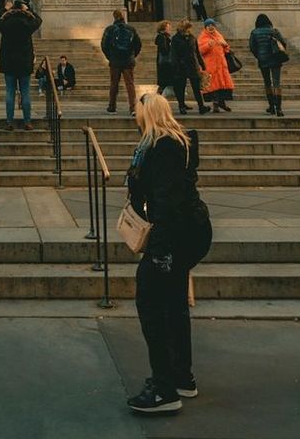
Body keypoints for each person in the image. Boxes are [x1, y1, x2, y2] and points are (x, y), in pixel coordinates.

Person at [125, 93, 211, 416]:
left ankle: (163, 387)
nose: (134, 116)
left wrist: (160, 252)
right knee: (174, 301)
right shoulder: (172, 142)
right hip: (189, 231)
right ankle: (181, 376)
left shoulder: (164, 148)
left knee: (150, 301)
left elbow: (166, 202)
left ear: (147, 114)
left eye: (137, 112)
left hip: (174, 235)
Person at [0, 0, 42, 132]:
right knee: (25, 92)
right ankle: (27, 122)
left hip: (8, 62)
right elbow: (39, 20)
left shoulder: (5, 22)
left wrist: (5, 9)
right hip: (24, 62)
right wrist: (28, 10)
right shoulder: (27, 23)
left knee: (10, 92)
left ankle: (9, 122)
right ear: (22, 9)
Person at [102, 10, 142, 115]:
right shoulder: (131, 29)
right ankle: (133, 107)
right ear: (123, 17)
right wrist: (133, 55)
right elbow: (138, 44)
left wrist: (110, 57)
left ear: (114, 17)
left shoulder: (109, 29)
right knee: (130, 84)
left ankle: (112, 106)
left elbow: (104, 45)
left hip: (115, 61)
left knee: (114, 83)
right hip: (128, 60)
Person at [248, 14, 288, 117]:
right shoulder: (274, 31)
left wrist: (259, 55)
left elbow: (252, 47)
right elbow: (283, 43)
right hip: (275, 59)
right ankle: (279, 108)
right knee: (276, 83)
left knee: (267, 82)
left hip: (263, 60)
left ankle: (271, 106)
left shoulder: (254, 32)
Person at [170, 20, 208, 114]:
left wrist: (202, 64)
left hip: (192, 65)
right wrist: (175, 65)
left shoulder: (192, 38)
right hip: (181, 66)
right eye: (188, 28)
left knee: (196, 87)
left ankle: (201, 106)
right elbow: (173, 54)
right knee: (181, 87)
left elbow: (197, 52)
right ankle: (181, 106)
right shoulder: (175, 39)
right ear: (183, 28)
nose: (189, 30)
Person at [196, 19, 234, 112]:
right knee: (214, 86)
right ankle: (216, 105)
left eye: (212, 25)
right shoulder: (202, 37)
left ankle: (222, 103)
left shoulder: (219, 35)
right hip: (210, 65)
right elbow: (199, 50)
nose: (211, 27)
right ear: (205, 27)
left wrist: (225, 45)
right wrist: (208, 45)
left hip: (221, 65)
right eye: (208, 26)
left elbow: (226, 49)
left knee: (222, 86)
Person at [152, 23, 184, 114]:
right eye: (168, 27)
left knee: (170, 85)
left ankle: (181, 104)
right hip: (166, 65)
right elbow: (164, 50)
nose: (170, 28)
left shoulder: (164, 37)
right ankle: (155, 102)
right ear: (163, 28)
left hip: (165, 65)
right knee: (165, 85)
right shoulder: (162, 37)